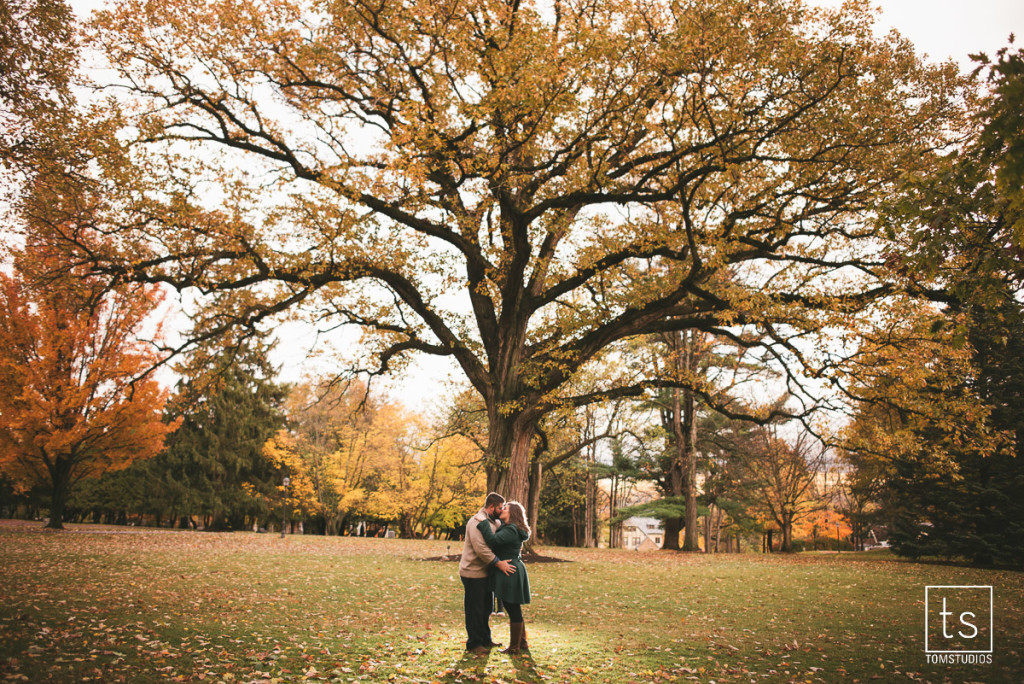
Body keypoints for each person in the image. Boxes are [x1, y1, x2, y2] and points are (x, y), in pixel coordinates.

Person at [460, 492, 517, 655]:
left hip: (485, 573)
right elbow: (481, 550)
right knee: (475, 609)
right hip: (473, 572)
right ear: (491, 507)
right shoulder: (476, 522)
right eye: (499, 508)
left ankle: (485, 639)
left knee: (486, 608)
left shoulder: (493, 521)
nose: (501, 510)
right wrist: (498, 563)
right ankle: (474, 643)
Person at [477, 500, 531, 655]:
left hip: (510, 571)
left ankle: (515, 647)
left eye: (505, 508)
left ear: (512, 513)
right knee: (514, 607)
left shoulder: (511, 529)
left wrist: (483, 525)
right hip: (512, 568)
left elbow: (493, 541)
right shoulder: (511, 528)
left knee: (512, 608)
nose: (502, 510)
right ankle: (522, 642)